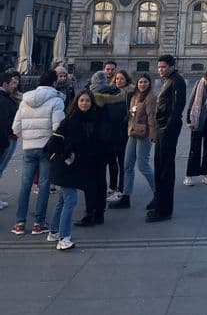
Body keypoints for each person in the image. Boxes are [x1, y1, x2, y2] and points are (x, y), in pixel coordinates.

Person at [11, 69, 65, 235]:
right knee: (44, 185)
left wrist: (27, 137)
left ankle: (19, 223)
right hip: (46, 148)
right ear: (54, 82)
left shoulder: (25, 100)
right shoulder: (56, 100)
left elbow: (15, 127)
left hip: (28, 147)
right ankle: (38, 223)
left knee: (25, 185)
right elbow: (58, 127)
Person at [45, 90, 101, 250]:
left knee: (63, 199)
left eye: (88, 101)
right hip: (65, 166)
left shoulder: (89, 120)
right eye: (82, 100)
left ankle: (54, 232)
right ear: (76, 102)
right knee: (71, 200)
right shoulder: (70, 121)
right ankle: (64, 237)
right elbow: (52, 144)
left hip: (73, 167)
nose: (84, 103)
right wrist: (66, 155)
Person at [75, 70, 126, 226]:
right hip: (112, 143)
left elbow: (89, 123)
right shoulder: (119, 96)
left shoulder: (95, 98)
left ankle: (90, 213)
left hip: (94, 145)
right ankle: (100, 213)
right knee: (101, 179)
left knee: (90, 181)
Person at [147, 55, 186, 222]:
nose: (160, 70)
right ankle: (159, 202)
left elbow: (178, 107)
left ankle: (164, 210)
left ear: (171, 66)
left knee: (165, 170)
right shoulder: (168, 80)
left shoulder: (177, 81)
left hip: (167, 130)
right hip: (162, 129)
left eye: (163, 67)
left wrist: (167, 127)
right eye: (159, 67)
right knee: (159, 166)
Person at [110, 73, 157, 209]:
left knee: (143, 166)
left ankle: (158, 192)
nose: (142, 84)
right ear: (137, 84)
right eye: (140, 82)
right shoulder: (135, 97)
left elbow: (152, 117)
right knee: (127, 165)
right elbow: (131, 114)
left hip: (145, 134)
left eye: (145, 82)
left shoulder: (151, 97)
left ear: (149, 84)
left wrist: (153, 135)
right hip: (133, 133)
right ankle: (126, 196)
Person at [184, 64, 207, 186]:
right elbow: (191, 100)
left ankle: (205, 174)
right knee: (194, 149)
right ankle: (189, 175)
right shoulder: (199, 84)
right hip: (197, 121)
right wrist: (188, 119)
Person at [107, 70, 133, 202]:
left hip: (124, 133)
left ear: (127, 80)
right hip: (111, 133)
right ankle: (112, 186)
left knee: (123, 163)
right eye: (117, 79)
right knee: (112, 161)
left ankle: (122, 189)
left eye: (121, 79)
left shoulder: (130, 94)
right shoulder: (110, 93)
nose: (118, 81)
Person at [0, 70, 20, 209]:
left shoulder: (6, 97)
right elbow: (3, 122)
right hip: (6, 138)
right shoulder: (3, 99)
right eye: (12, 83)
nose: (15, 85)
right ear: (5, 84)